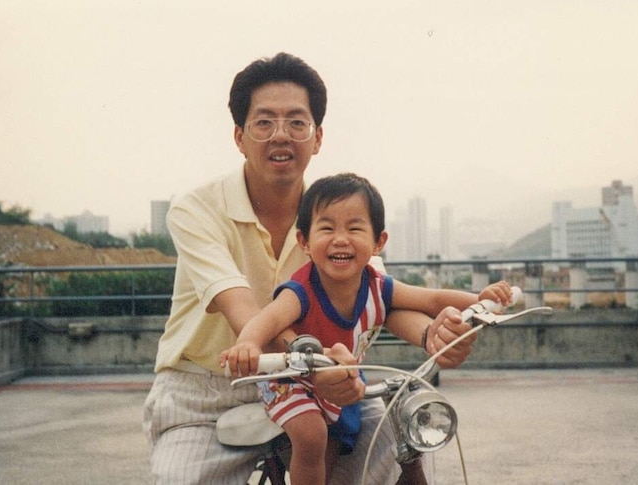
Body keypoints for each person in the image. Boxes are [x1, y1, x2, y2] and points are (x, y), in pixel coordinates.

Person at [142, 52, 490, 485]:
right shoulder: (196, 209)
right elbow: (246, 314)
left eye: (296, 122)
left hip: (324, 380)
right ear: (239, 136)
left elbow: (377, 298)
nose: (280, 136)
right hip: (210, 389)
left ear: (318, 136)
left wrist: (432, 335)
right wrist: (313, 359)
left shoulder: (335, 214)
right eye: (264, 122)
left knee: (388, 452)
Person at [220, 173, 512, 485]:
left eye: (355, 228)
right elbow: (268, 320)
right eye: (327, 228)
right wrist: (248, 344)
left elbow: (433, 298)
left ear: (378, 242)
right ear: (304, 242)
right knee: (312, 434)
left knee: (345, 446)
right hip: (294, 381)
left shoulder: (377, 286)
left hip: (344, 379)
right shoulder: (301, 290)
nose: (341, 238)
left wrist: (481, 301)